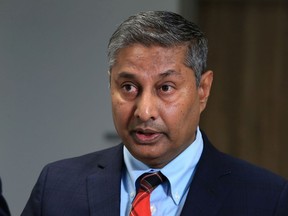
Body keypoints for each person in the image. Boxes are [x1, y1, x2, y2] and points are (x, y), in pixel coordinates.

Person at [21, 11, 288, 216]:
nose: (145, 111)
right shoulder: (56, 187)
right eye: (128, 87)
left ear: (203, 90)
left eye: (165, 88)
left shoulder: (267, 199)